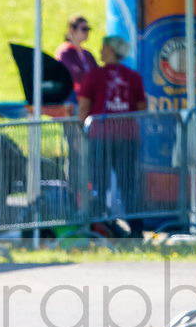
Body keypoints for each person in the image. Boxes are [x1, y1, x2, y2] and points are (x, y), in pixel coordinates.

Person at [78, 36, 147, 238]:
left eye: (103, 47)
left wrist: (80, 132)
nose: (100, 51)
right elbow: (142, 108)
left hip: (100, 138)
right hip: (128, 138)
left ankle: (101, 229)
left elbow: (83, 108)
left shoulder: (93, 76)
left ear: (110, 50)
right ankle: (136, 231)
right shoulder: (134, 77)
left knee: (99, 185)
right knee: (130, 185)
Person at [54, 15, 99, 95]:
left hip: (88, 94)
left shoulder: (87, 53)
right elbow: (74, 75)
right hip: (73, 96)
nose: (87, 32)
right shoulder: (64, 52)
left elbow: (98, 73)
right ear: (72, 30)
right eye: (84, 29)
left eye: (88, 29)